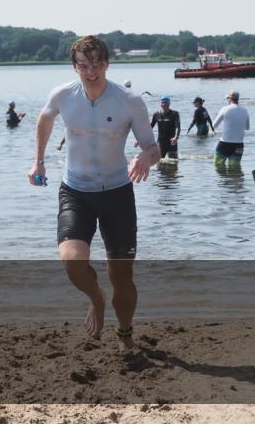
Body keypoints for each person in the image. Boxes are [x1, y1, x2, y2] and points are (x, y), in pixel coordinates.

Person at [28, 35, 160, 347]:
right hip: (76, 190)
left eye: (98, 64)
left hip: (117, 193)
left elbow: (153, 148)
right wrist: (38, 162)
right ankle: (97, 299)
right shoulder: (63, 95)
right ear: (74, 67)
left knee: (122, 276)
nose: (91, 71)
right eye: (84, 66)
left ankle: (125, 331)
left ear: (107, 64)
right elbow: (44, 120)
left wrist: (145, 157)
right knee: (72, 262)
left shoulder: (129, 101)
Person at [213, 91, 250, 168]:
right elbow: (247, 127)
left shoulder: (224, 109)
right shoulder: (245, 110)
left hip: (225, 143)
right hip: (239, 144)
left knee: (218, 165)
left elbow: (214, 125)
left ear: (229, 99)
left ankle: (224, 180)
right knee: (234, 168)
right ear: (237, 99)